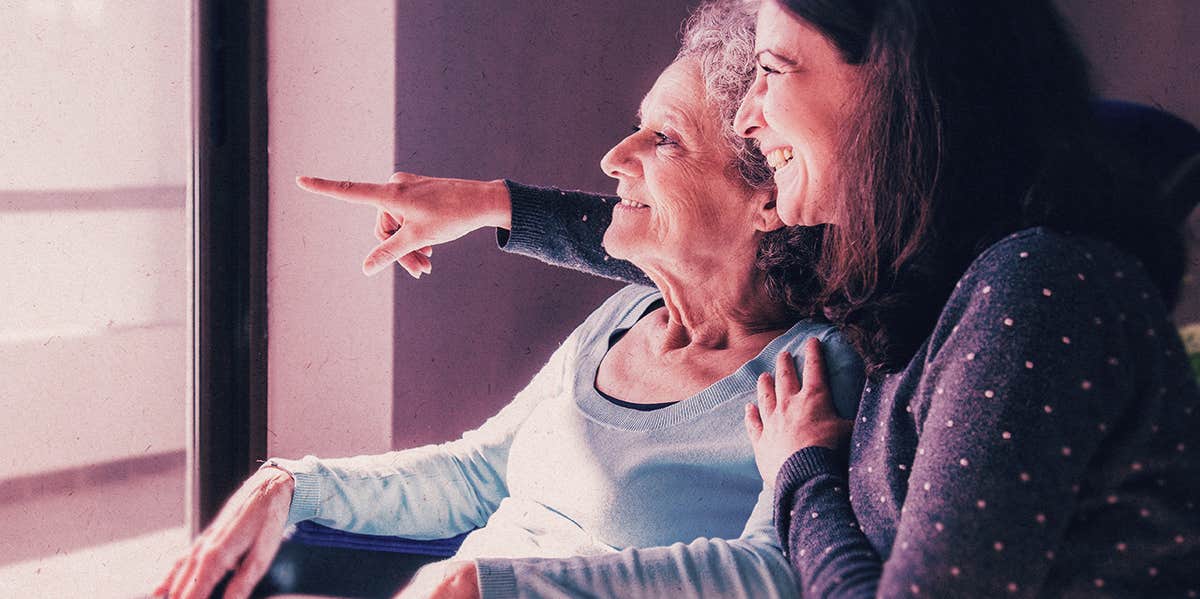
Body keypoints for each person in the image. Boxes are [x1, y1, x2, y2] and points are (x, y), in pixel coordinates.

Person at [322, 1, 1200, 596]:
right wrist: (491, 206)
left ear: (898, 82)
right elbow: (703, 243)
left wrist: (801, 472)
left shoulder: (1028, 294)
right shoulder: (913, 286)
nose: (749, 116)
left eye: (776, 70)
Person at [153, 3, 865, 599]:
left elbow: (771, 569)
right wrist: (290, 482)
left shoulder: (810, 371)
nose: (615, 158)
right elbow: (476, 473)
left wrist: (491, 585)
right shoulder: (620, 322)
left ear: (766, 196)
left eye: (665, 140)